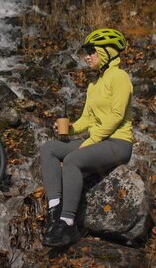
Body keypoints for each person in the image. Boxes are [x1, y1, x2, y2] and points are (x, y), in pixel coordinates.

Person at [39, 28, 134, 247]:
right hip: (99, 140)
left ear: (108, 51)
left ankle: (68, 224)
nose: (87, 56)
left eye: (92, 51)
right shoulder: (93, 85)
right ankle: (55, 212)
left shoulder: (119, 77)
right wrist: (70, 128)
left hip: (118, 143)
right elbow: (87, 120)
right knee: (49, 149)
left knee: (73, 160)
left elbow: (117, 116)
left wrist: (90, 142)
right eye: (87, 52)